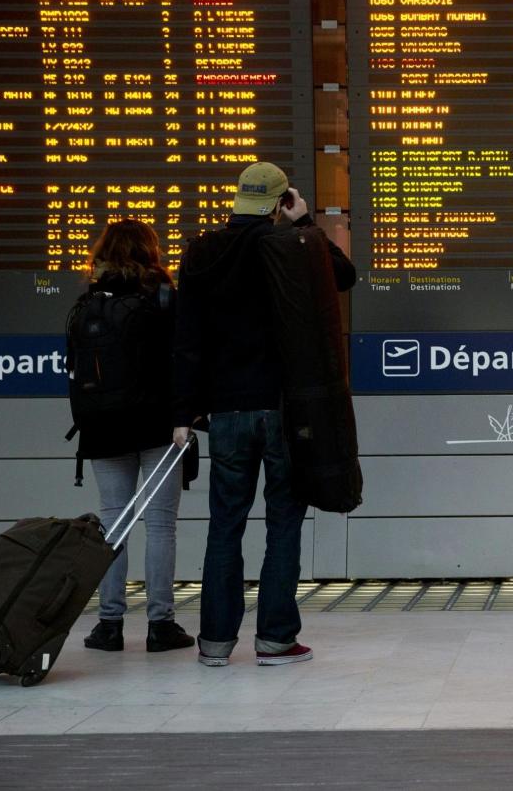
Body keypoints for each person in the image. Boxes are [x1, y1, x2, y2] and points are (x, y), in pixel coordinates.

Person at [172, 162, 355, 667]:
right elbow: (344, 275)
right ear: (278, 202)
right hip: (282, 410)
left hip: (225, 413)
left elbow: (185, 340)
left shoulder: (201, 253)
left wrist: (183, 411)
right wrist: (302, 224)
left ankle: (213, 643)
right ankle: (275, 640)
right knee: (283, 524)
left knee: (224, 525)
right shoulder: (288, 248)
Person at [71, 219, 195, 654]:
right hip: (158, 425)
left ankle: (109, 625)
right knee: (160, 525)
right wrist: (185, 417)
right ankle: (161, 625)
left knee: (113, 523)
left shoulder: (90, 301)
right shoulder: (163, 297)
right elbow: (183, 359)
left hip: (102, 428)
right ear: (151, 251)